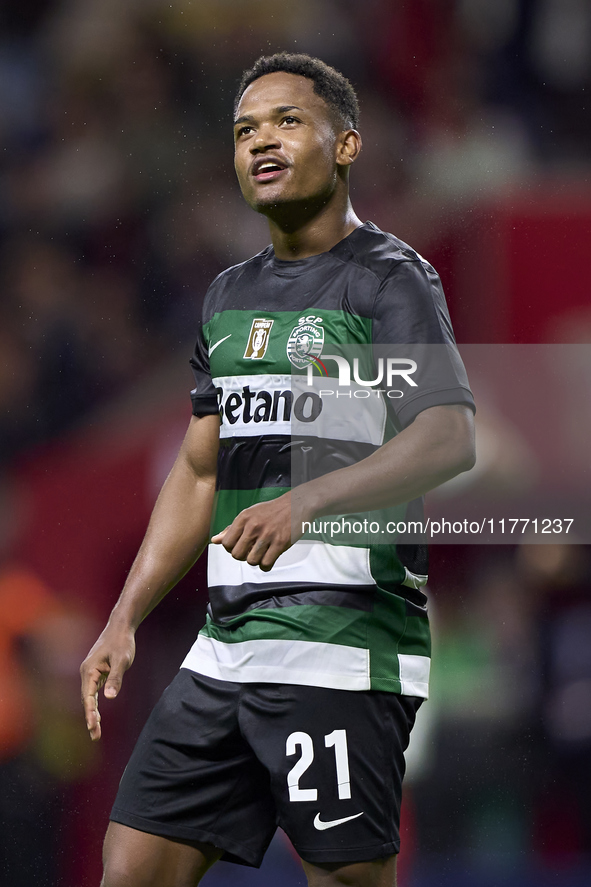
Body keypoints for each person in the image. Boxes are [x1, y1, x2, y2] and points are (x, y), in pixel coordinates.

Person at [80, 53, 476, 887]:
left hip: (341, 640)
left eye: (288, 121)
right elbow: (196, 473)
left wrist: (309, 500)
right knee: (130, 869)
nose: (261, 140)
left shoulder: (389, 279)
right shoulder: (226, 295)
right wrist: (124, 615)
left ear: (346, 145)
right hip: (226, 643)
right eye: (243, 130)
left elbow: (447, 436)